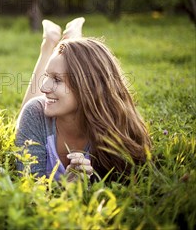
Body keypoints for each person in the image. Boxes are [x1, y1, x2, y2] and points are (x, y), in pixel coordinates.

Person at [16, 18, 152, 181]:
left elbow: (125, 183)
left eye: (57, 80)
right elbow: (29, 185)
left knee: (74, 58)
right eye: (47, 76)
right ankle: (48, 45)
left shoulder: (117, 126)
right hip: (37, 115)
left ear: (87, 88)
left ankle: (73, 38)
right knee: (29, 109)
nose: (43, 87)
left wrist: (87, 185)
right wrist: (66, 189)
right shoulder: (34, 114)